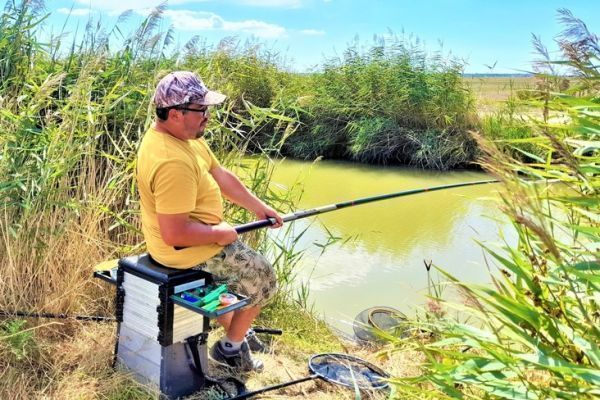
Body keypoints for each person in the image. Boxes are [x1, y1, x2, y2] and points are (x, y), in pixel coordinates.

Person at [136, 71, 283, 372]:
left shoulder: (185, 139)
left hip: (191, 240)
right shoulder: (171, 160)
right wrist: (219, 234)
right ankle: (231, 348)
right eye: (201, 109)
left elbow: (220, 174)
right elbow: (174, 233)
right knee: (263, 278)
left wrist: (258, 206)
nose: (208, 116)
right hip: (183, 250)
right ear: (176, 113)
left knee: (236, 276)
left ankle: (237, 329)